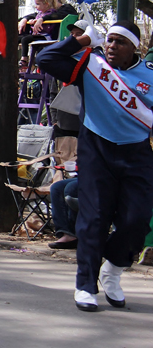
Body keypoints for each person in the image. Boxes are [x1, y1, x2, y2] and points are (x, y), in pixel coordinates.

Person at [37, 20, 153, 311]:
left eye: (120, 42)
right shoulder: (92, 66)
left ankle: (113, 270)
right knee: (94, 218)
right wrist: (83, 40)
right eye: (109, 40)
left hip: (137, 152)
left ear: (134, 48)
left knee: (136, 219)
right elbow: (46, 58)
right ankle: (86, 284)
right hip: (97, 150)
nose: (112, 46)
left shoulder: (149, 74)